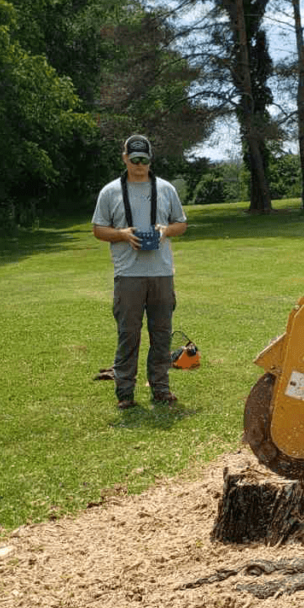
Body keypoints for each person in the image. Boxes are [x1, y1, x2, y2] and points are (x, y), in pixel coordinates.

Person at [92, 135, 188, 409]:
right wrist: (122, 234)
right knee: (128, 333)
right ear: (124, 158)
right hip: (128, 276)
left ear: (150, 160)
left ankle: (160, 388)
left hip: (161, 273)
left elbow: (181, 223)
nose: (138, 165)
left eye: (143, 160)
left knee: (161, 333)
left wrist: (165, 230)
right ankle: (125, 393)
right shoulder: (110, 192)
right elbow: (98, 230)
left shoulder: (166, 189)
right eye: (133, 160)